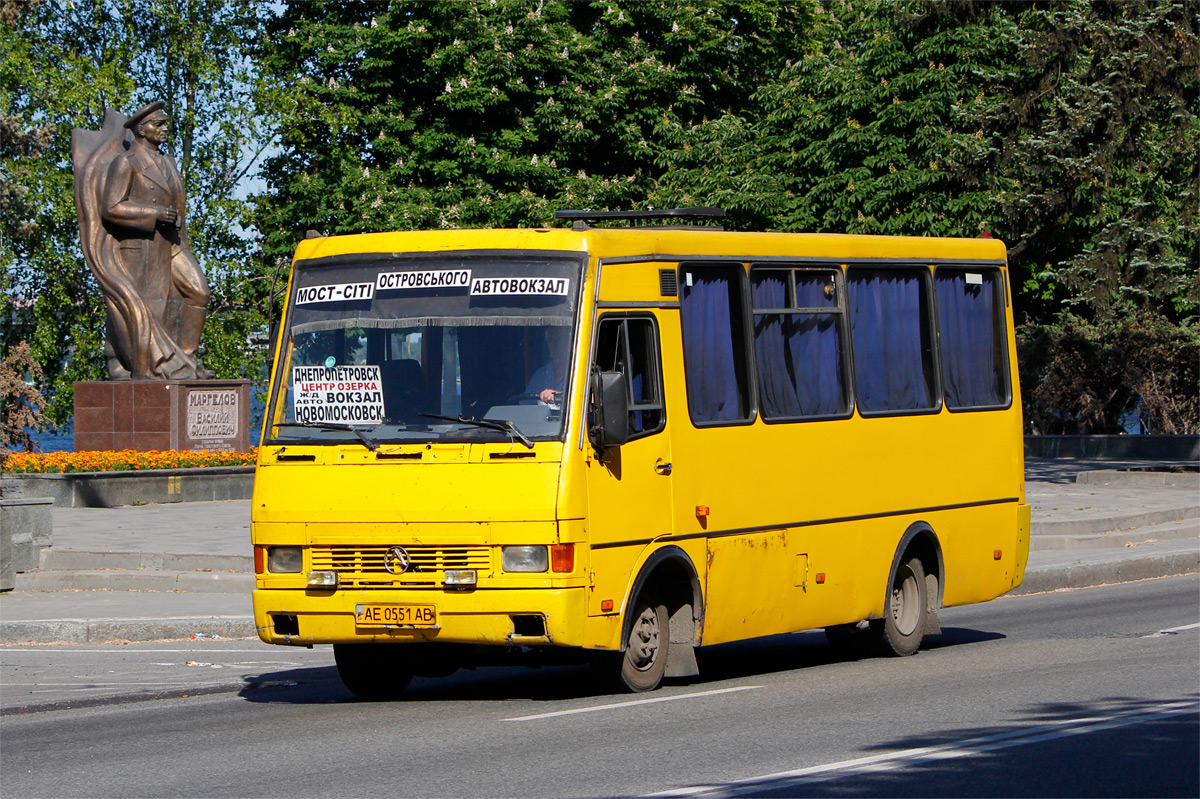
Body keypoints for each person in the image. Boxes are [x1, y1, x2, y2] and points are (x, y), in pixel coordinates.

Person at [73, 101, 211, 379]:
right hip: (140, 248)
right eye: (157, 124)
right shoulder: (126, 163)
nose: (164, 128)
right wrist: (154, 213)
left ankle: (187, 361)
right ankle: (121, 360)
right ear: (140, 129)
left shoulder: (168, 162)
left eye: (163, 123)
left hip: (171, 244)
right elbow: (111, 208)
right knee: (139, 308)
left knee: (199, 291)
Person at [524, 326, 572, 407]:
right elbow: (524, 407)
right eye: (550, 340)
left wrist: (559, 397)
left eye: (558, 340)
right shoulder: (539, 376)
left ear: (569, 342)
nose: (554, 345)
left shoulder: (578, 375)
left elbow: (584, 402)